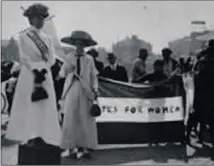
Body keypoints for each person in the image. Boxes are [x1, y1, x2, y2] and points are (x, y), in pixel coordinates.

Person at [5, 3, 61, 147]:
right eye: (38, 18)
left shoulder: (47, 38)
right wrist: (36, 69)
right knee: (29, 104)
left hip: (44, 74)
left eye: (43, 18)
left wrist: (43, 69)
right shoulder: (24, 36)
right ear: (30, 19)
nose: (41, 21)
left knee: (44, 104)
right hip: (30, 73)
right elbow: (24, 57)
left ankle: (43, 135)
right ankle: (29, 135)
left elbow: (52, 58)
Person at [59, 30, 99, 159]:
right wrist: (67, 69)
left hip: (85, 90)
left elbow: (94, 76)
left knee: (85, 118)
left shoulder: (89, 59)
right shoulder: (69, 57)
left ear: (85, 46)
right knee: (71, 118)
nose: (79, 46)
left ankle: (84, 147)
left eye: (82, 44)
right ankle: (71, 147)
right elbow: (61, 74)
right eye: (77, 44)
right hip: (72, 89)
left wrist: (95, 89)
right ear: (74, 45)